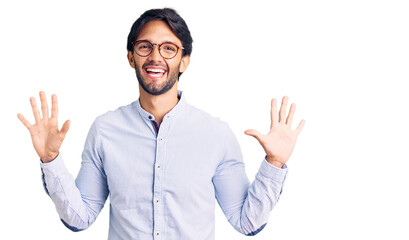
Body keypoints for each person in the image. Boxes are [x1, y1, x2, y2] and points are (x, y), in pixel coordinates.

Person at [17, 8, 305, 240]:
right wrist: (50, 159)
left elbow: (246, 222)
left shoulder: (216, 134)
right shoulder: (104, 130)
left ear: (184, 61)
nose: (155, 57)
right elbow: (79, 219)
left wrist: (274, 163)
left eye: (169, 48)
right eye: (145, 46)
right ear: (131, 57)